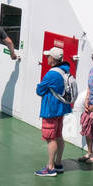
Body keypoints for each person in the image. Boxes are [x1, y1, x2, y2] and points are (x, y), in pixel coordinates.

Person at [34, 47, 73, 176]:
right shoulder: (64, 71)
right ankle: (58, 163)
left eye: (48, 56)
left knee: (50, 138)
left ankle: (50, 168)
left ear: (53, 58)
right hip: (61, 109)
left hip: (51, 109)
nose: (46, 58)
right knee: (58, 135)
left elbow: (39, 90)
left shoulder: (52, 74)